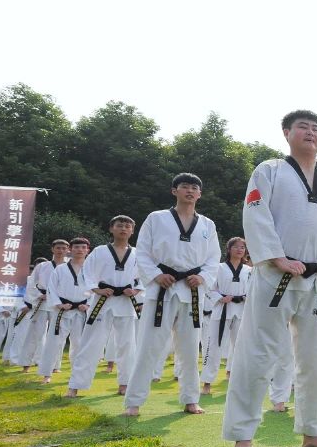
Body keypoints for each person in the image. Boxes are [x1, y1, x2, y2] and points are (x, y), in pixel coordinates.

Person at [222, 109, 317, 447]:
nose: (311, 132)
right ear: (286, 133)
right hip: (277, 276)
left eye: (316, 128)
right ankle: (242, 437)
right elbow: (255, 214)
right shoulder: (269, 171)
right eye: (303, 127)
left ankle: (312, 431)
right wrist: (277, 257)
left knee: (316, 359)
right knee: (257, 354)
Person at [125, 175, 221, 416]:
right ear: (174, 191)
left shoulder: (207, 224)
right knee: (148, 346)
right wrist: (156, 275)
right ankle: (134, 402)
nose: (190, 191)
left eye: (194, 188)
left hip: (192, 290)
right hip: (162, 289)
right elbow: (142, 252)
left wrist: (203, 277)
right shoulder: (156, 218)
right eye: (184, 187)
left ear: (199, 194)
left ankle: (191, 399)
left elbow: (213, 258)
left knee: (190, 349)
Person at [66, 217, 143, 397]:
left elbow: (144, 276)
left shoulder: (138, 253)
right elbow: (86, 273)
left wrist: (136, 290)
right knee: (91, 343)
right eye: (119, 225)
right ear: (111, 229)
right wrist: (96, 289)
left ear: (132, 231)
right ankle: (75, 385)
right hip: (102, 302)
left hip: (125, 303)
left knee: (127, 345)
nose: (123, 229)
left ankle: (125, 384)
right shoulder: (100, 251)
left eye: (127, 226)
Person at [201, 237, 251, 396]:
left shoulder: (249, 270)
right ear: (229, 249)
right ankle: (207, 382)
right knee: (214, 346)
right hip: (222, 310)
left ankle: (239, 381)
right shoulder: (219, 268)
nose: (240, 249)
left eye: (242, 247)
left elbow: (253, 289)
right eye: (236, 247)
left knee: (241, 347)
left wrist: (246, 297)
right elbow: (208, 288)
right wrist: (220, 298)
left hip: (241, 310)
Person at [40, 237, 93, 382]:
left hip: (81, 311)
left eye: (83, 247)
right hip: (62, 310)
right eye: (76, 247)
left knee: (79, 343)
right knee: (54, 341)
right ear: (70, 250)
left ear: (88, 250)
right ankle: (47, 374)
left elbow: (95, 289)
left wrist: (88, 304)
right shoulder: (60, 269)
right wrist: (58, 304)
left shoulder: (91, 269)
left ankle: (77, 374)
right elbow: (51, 288)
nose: (80, 250)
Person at [15, 242, 69, 370]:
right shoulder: (42, 266)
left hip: (59, 304)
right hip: (42, 303)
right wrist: (39, 295)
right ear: (52, 249)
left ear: (68, 250)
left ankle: (55, 365)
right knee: (34, 333)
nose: (60, 250)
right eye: (58, 248)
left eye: (63, 248)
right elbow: (31, 284)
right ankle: (26, 364)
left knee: (58, 334)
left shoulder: (69, 267)